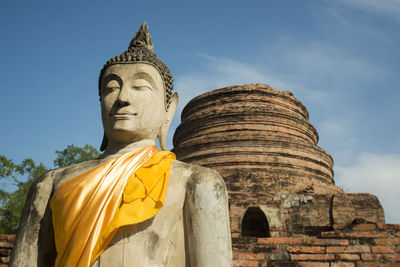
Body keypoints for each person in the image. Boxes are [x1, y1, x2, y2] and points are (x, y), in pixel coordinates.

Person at [10, 22, 232, 267]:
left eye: (140, 86)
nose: (123, 98)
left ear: (169, 108)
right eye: (111, 88)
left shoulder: (196, 183)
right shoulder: (51, 183)